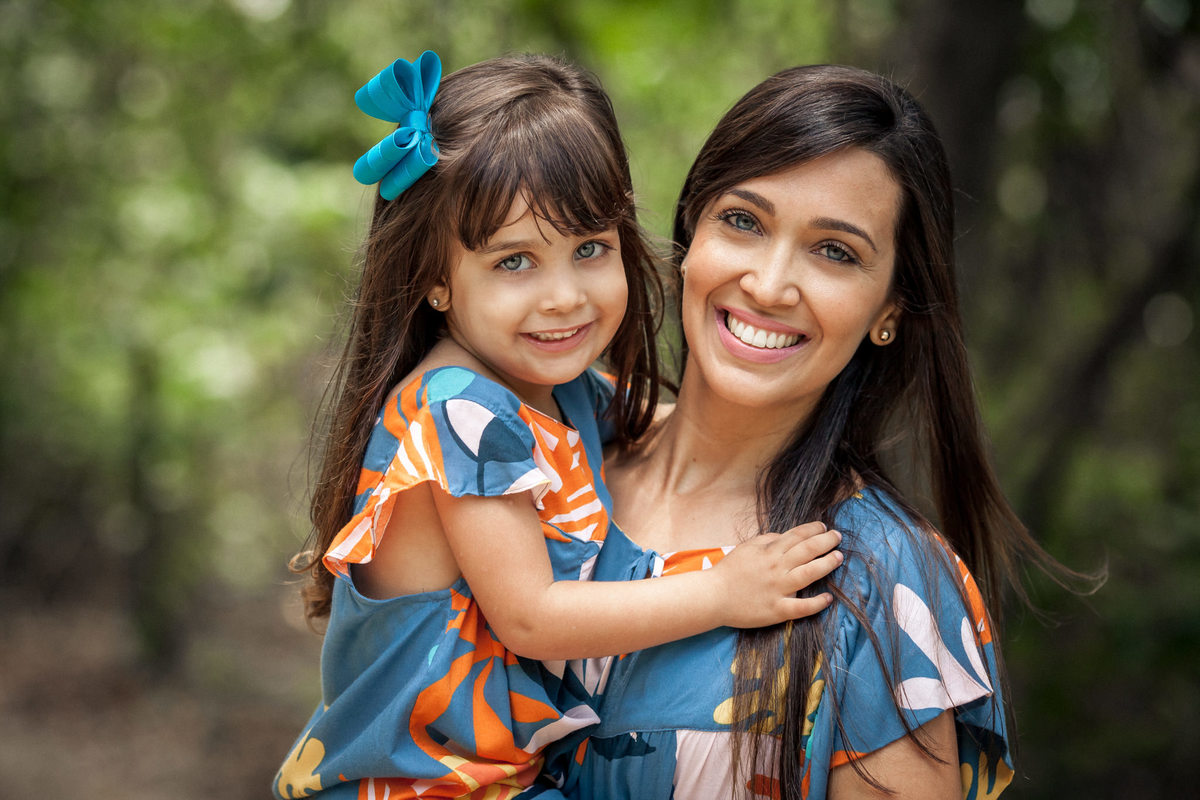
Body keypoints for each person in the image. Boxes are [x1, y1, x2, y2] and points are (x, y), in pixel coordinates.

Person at [272, 52, 843, 800]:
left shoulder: (552, 385)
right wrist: (724, 590)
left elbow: (668, 427)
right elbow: (534, 620)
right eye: (515, 263)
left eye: (589, 249)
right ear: (435, 278)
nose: (565, 297)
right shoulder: (460, 409)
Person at [561, 64, 1072, 799]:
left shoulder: (883, 582)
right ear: (691, 235)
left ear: (889, 309)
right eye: (743, 221)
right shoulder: (543, 459)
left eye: (835, 251)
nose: (769, 285)